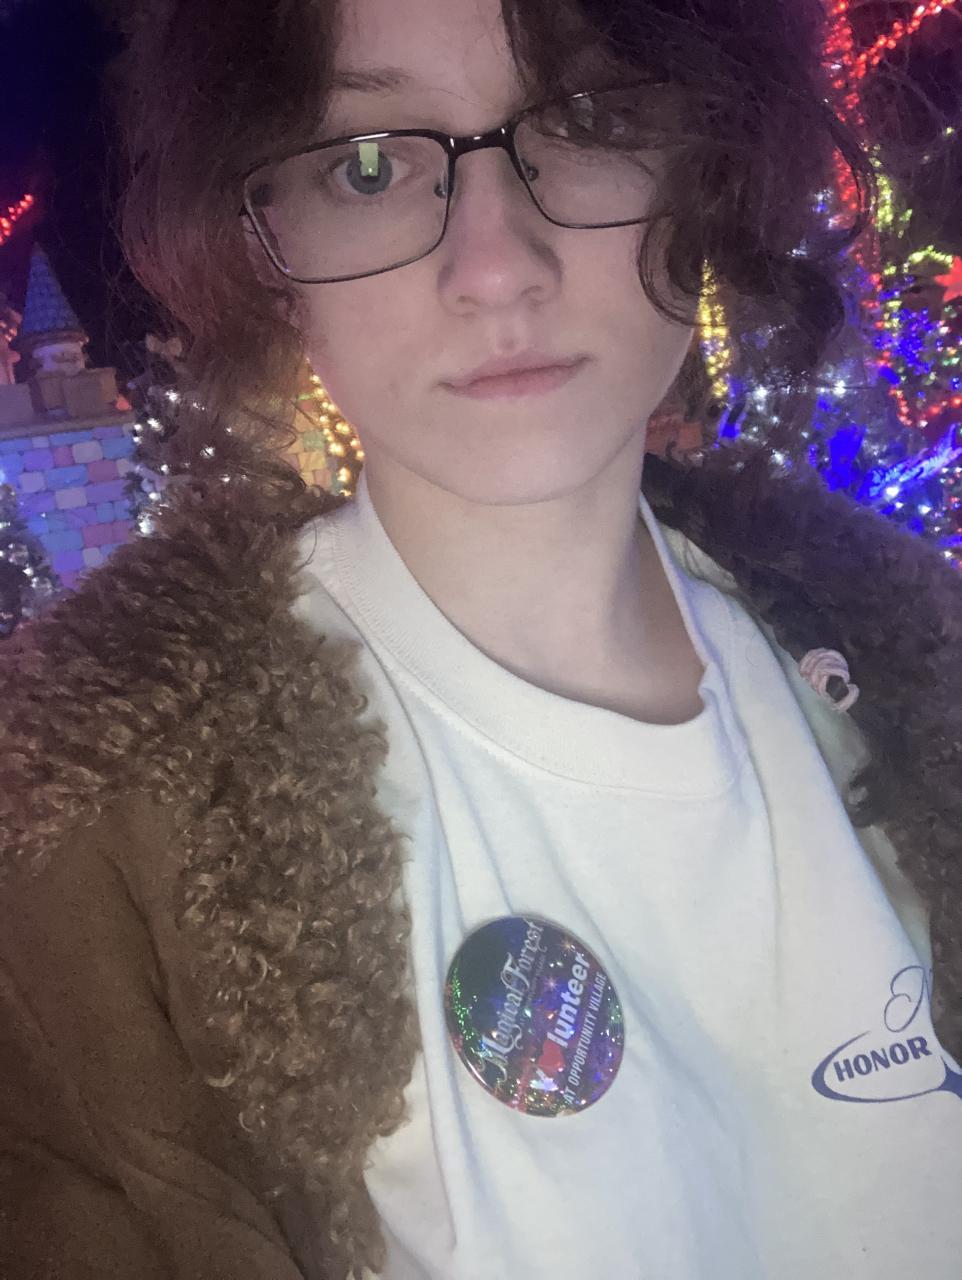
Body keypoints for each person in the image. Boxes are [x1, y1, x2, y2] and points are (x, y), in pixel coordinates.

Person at [2, 0, 962, 1276]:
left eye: (587, 120)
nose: (496, 267)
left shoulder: (915, 666)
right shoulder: (83, 862)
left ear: (709, 161)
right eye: (368, 166)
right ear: (264, 236)